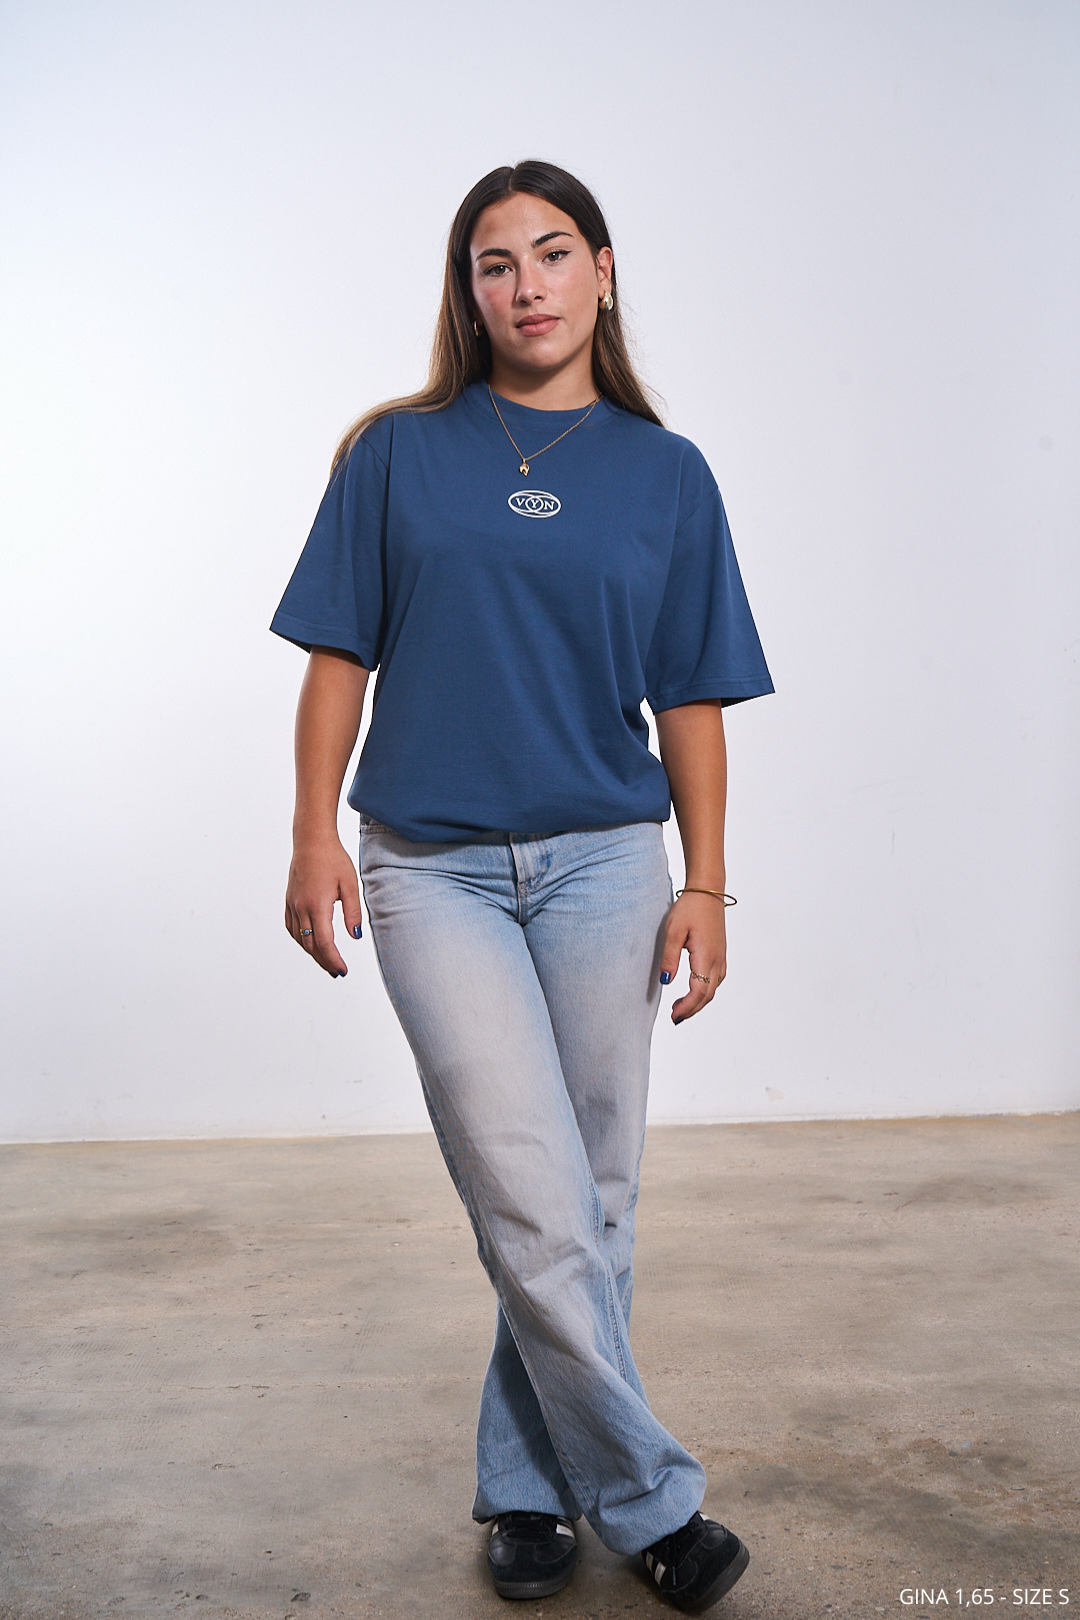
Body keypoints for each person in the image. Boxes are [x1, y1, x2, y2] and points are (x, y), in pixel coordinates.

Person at [271, 160, 773, 1612]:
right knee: (532, 1190)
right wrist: (311, 832)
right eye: (495, 264)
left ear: (603, 273)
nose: (527, 285)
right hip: (431, 868)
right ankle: (654, 1505)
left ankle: (528, 1489)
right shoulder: (396, 454)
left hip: (609, 860)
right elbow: (337, 658)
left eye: (553, 254)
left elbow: (691, 696)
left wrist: (708, 884)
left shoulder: (667, 474)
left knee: (590, 1197)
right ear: (467, 292)